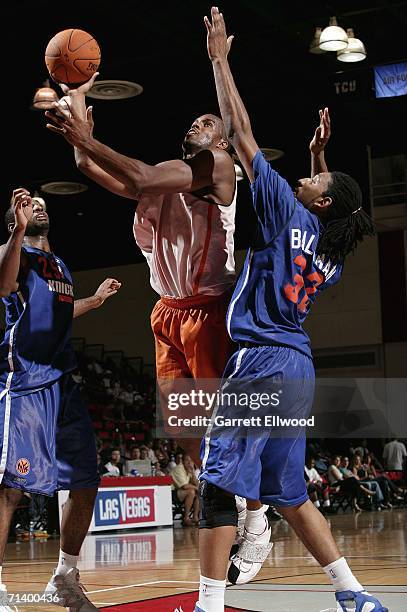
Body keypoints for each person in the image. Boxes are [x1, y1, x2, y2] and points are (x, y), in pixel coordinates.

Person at [194, 8, 387, 612]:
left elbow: (241, 131)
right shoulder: (329, 248)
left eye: (316, 179)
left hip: (260, 361)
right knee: (290, 493)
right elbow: (314, 216)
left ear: (322, 200)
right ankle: (352, 593)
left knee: (217, 482)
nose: (306, 181)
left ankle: (206, 605)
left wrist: (220, 59)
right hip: (297, 366)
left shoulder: (289, 211)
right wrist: (316, 157)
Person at [46, 76, 271, 554]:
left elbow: (142, 175)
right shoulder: (167, 179)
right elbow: (87, 163)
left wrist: (88, 137)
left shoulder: (220, 166)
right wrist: (77, 90)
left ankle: (256, 516)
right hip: (167, 311)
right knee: (184, 429)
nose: (197, 123)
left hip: (210, 309)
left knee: (224, 427)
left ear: (223, 140)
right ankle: (225, 499)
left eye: (208, 122)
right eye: (194, 120)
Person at [0, 188, 121, 611]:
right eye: (31, 205)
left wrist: (96, 300)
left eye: (43, 205)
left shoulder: (60, 264)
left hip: (64, 381)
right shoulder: (12, 250)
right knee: (10, 488)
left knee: (86, 480)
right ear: (16, 216)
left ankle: (64, 579)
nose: (40, 208)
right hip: (27, 378)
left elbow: (59, 313)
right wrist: (16, 233)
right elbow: (4, 284)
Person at [171, 454, 200, 526]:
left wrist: (193, 472)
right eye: (187, 460)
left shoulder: (189, 469)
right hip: (171, 493)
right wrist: (197, 488)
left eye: (191, 461)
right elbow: (184, 486)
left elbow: (196, 484)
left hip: (182, 492)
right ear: (183, 461)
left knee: (198, 493)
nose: (189, 463)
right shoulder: (179, 469)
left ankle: (195, 517)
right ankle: (186, 518)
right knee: (191, 492)